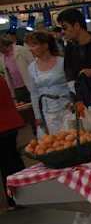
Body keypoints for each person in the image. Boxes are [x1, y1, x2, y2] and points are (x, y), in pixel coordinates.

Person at [25, 31, 71, 136]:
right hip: (47, 114)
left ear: (45, 45)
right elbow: (34, 93)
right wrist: (37, 116)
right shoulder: (31, 68)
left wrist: (74, 102)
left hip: (67, 110)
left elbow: (72, 84)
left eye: (34, 45)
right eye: (29, 46)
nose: (31, 49)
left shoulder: (62, 62)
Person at [0, 76, 25, 210]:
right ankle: (27, 193)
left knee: (6, 164)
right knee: (14, 159)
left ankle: (14, 199)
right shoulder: (1, 78)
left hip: (2, 126)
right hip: (11, 123)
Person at [0, 34, 33, 104]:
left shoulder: (21, 49)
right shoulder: (2, 57)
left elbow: (32, 64)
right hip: (17, 89)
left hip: (28, 84)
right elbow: (8, 74)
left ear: (3, 45)